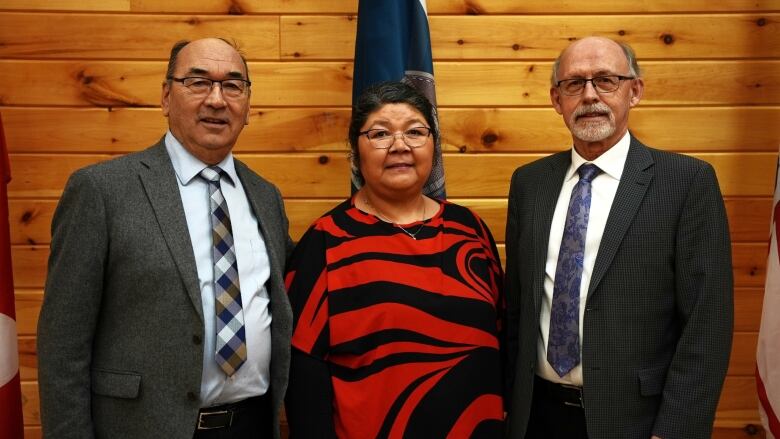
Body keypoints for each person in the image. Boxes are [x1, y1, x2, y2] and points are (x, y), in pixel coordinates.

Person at [37, 38, 292, 439]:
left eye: (232, 85)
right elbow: (62, 348)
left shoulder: (265, 196)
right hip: (143, 427)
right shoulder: (102, 191)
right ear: (166, 96)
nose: (216, 99)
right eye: (197, 82)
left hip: (252, 425)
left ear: (247, 105)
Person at [504, 36, 733, 439]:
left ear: (635, 91)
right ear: (557, 100)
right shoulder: (530, 184)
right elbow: (519, 305)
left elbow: (707, 322)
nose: (590, 95)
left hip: (636, 421)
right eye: (574, 84)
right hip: (535, 416)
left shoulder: (686, 183)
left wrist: (675, 430)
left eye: (606, 80)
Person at [284, 81, 505, 438]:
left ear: (433, 145)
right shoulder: (325, 242)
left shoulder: (471, 230)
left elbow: (501, 340)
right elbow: (303, 379)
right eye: (380, 134)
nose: (400, 145)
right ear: (356, 152)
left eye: (415, 132)